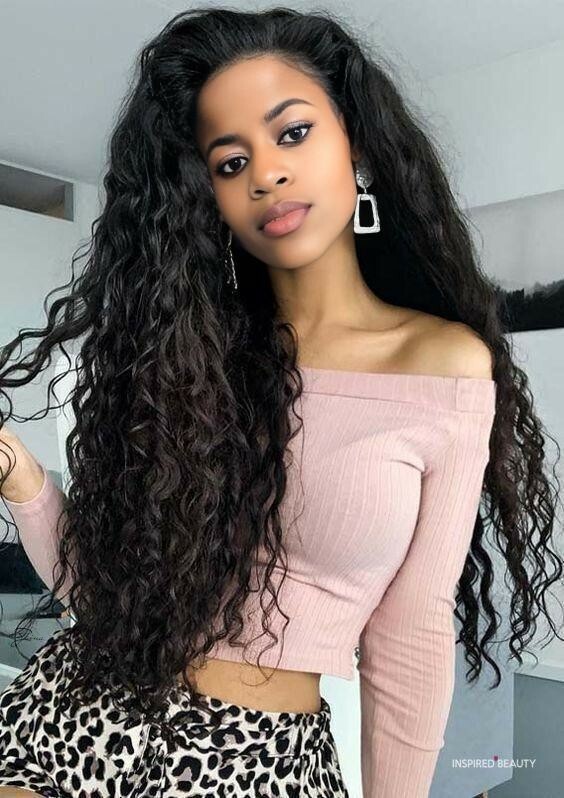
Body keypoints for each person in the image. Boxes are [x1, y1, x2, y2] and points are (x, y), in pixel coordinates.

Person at [0, 6, 562, 798]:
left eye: (292, 133)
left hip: (258, 763)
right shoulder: (191, 358)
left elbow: (411, 635)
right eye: (231, 162)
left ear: (356, 144)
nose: (264, 174)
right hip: (70, 719)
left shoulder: (446, 368)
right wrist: (22, 480)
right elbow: (109, 592)